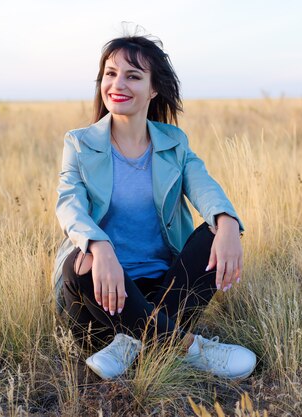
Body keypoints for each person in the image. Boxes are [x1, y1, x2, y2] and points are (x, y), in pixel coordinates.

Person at [53, 34, 256, 380]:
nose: (117, 84)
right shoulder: (80, 143)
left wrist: (227, 224)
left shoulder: (173, 143)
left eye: (133, 76)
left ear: (153, 89)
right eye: (110, 73)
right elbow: (68, 204)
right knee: (81, 258)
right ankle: (190, 347)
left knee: (215, 233)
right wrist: (100, 246)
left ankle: (133, 342)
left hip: (164, 289)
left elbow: (204, 187)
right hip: (101, 301)